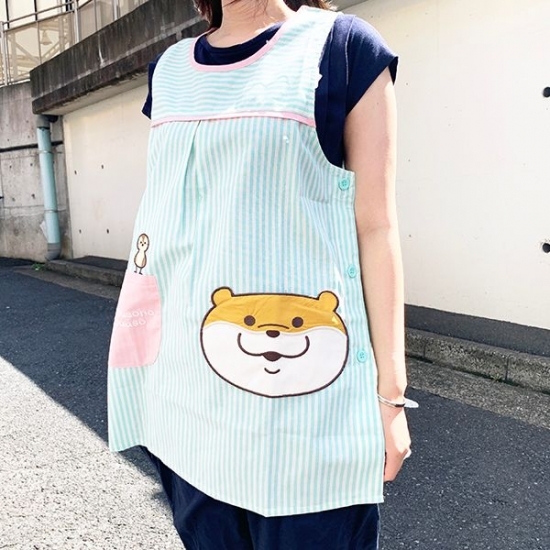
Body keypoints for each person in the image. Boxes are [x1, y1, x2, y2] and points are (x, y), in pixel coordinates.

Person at [107, 0, 412, 547]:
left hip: (305, 412)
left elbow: (375, 226)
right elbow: (170, 223)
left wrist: (391, 395)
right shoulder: (170, 70)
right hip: (183, 395)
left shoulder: (343, 48)